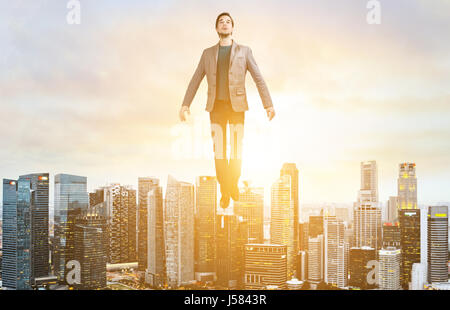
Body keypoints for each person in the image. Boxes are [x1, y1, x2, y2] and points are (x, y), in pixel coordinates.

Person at [179, 12, 275, 209]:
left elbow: (258, 78)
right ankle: (226, 189)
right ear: (216, 29)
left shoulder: (245, 51)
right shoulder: (207, 53)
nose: (224, 24)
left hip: (237, 107)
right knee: (220, 151)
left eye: (228, 22)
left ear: (232, 28)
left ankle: (232, 183)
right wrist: (185, 104)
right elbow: (196, 79)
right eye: (221, 22)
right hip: (216, 107)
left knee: (237, 148)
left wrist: (268, 104)